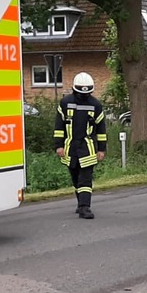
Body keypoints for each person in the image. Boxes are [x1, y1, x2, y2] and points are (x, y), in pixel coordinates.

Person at [55, 72, 106, 219]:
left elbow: (101, 129)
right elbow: (59, 127)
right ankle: (80, 203)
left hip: (87, 147)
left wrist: (101, 148)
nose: (84, 96)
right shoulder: (65, 103)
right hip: (70, 147)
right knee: (75, 177)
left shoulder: (96, 105)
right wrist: (58, 146)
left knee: (85, 178)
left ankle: (85, 207)